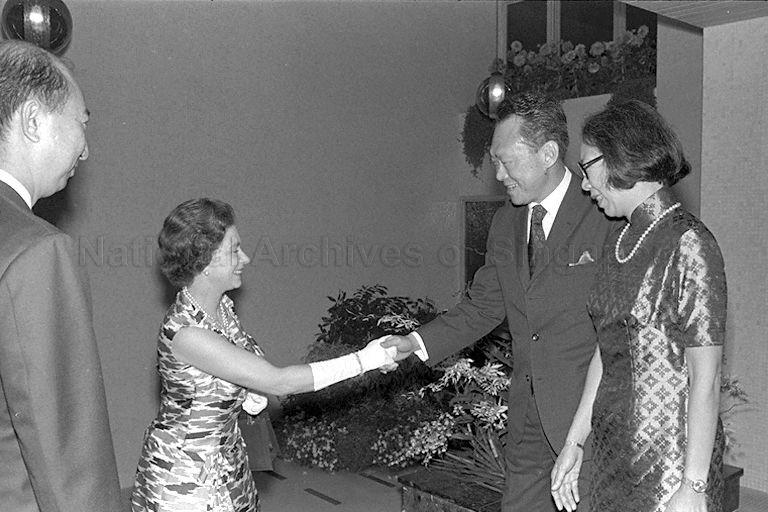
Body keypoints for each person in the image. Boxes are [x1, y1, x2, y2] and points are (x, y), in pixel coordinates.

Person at [383, 92, 617, 511]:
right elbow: (483, 306)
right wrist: (416, 343)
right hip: (528, 421)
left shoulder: (603, 211)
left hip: (591, 423)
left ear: (548, 153)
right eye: (493, 160)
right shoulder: (506, 221)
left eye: (506, 160)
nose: (498, 173)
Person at [131, 198, 396, 512]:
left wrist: (247, 390)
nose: (245, 257)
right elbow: (279, 381)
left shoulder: (222, 311)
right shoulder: (188, 334)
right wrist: (365, 360)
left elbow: (248, 370)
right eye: (234, 250)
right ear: (204, 263)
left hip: (229, 469)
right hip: (186, 483)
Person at [550, 100, 726, 512]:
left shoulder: (690, 243)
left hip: (670, 460)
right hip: (615, 452)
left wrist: (693, 487)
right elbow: (606, 351)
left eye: (587, 167)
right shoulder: (618, 239)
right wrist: (576, 440)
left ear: (619, 157)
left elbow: (708, 376)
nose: (583, 184)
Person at [0, 40, 122, 511]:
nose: (86, 150)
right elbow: (69, 457)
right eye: (81, 123)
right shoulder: (37, 250)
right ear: (33, 121)